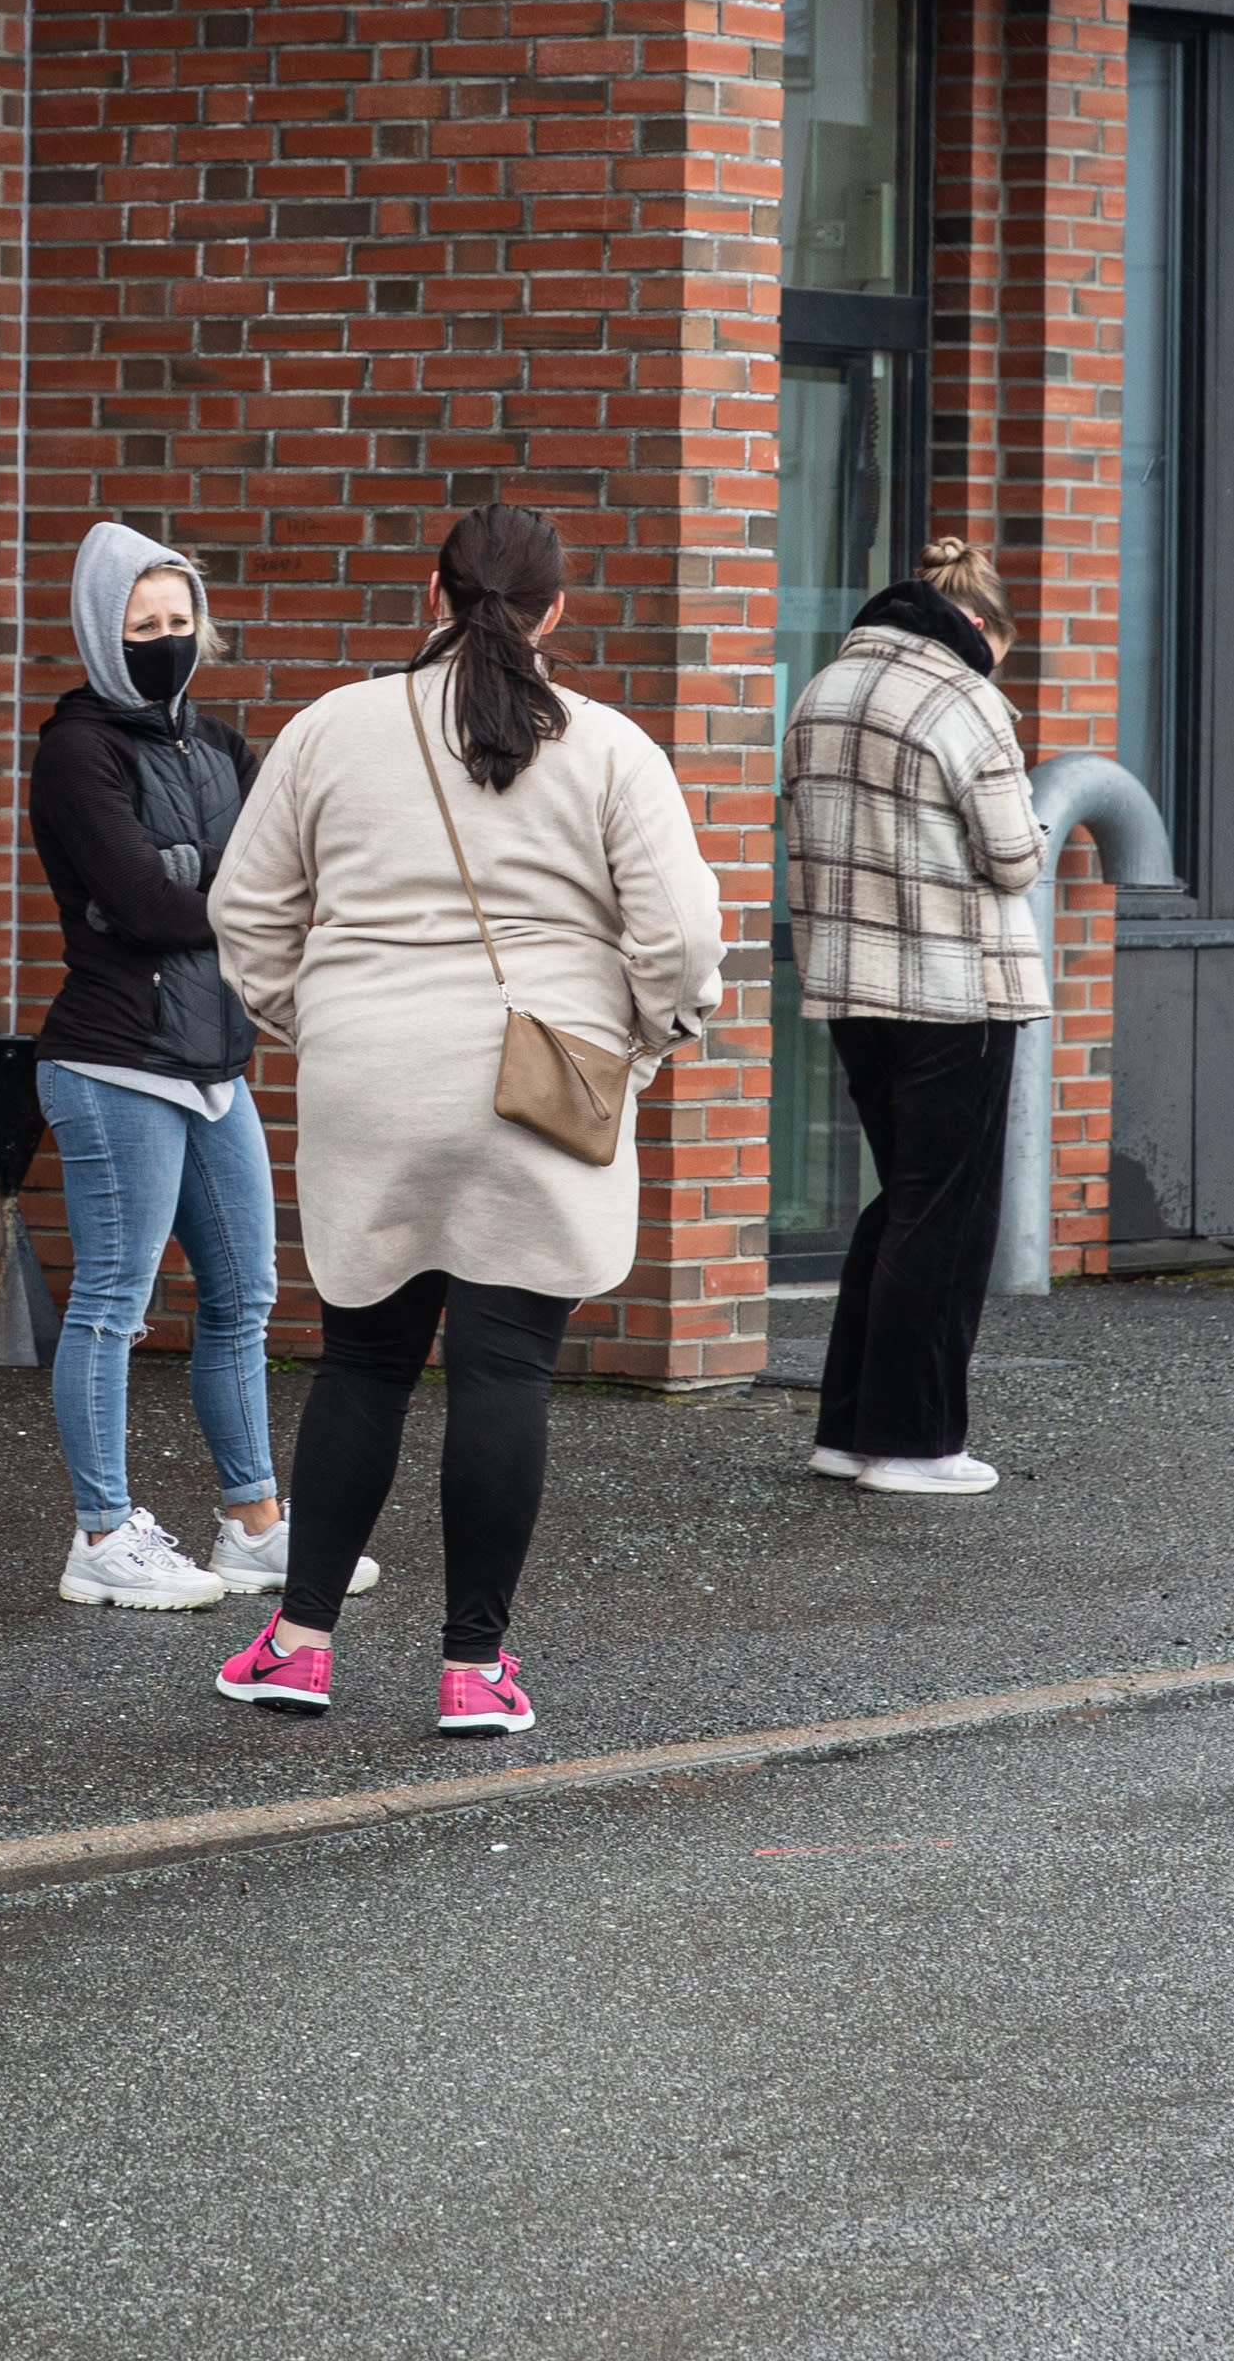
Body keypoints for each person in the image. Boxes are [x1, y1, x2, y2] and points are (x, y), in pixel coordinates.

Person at [202, 505, 724, 1734]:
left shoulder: (331, 728)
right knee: (505, 1370)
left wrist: (316, 1020)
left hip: (370, 1078)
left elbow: (246, 911)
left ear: (432, 597)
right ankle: (473, 1671)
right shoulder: (608, 747)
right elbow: (682, 936)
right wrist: (645, 1039)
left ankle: (300, 1645)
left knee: (364, 1362)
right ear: (556, 612)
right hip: (543, 1079)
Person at [22, 521, 372, 1613]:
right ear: (102, 632)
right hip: (115, 1061)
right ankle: (102, 1534)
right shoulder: (78, 751)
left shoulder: (220, 746)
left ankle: (252, 1526)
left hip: (216, 1063)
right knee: (113, 1303)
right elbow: (142, 904)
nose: (167, 641)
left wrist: (203, 879)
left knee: (243, 1297)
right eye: (143, 625)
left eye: (180, 621)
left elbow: (295, 872)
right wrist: (221, 889)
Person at [777, 534, 1048, 1500]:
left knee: (902, 1203)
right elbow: (1014, 857)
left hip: (852, 986)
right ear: (976, 625)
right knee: (947, 1216)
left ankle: (849, 1429)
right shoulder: (963, 698)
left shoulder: (824, 689)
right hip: (954, 990)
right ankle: (914, 1441)